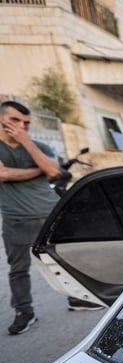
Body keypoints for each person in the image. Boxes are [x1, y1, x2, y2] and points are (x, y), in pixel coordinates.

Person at [0, 102, 68, 334]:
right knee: (18, 268)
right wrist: (36, 169)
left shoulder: (37, 145)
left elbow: (54, 171)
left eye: (26, 123)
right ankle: (24, 312)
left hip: (50, 213)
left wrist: (26, 142)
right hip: (16, 219)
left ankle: (79, 298)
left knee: (65, 260)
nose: (22, 126)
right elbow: (2, 174)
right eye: (15, 121)